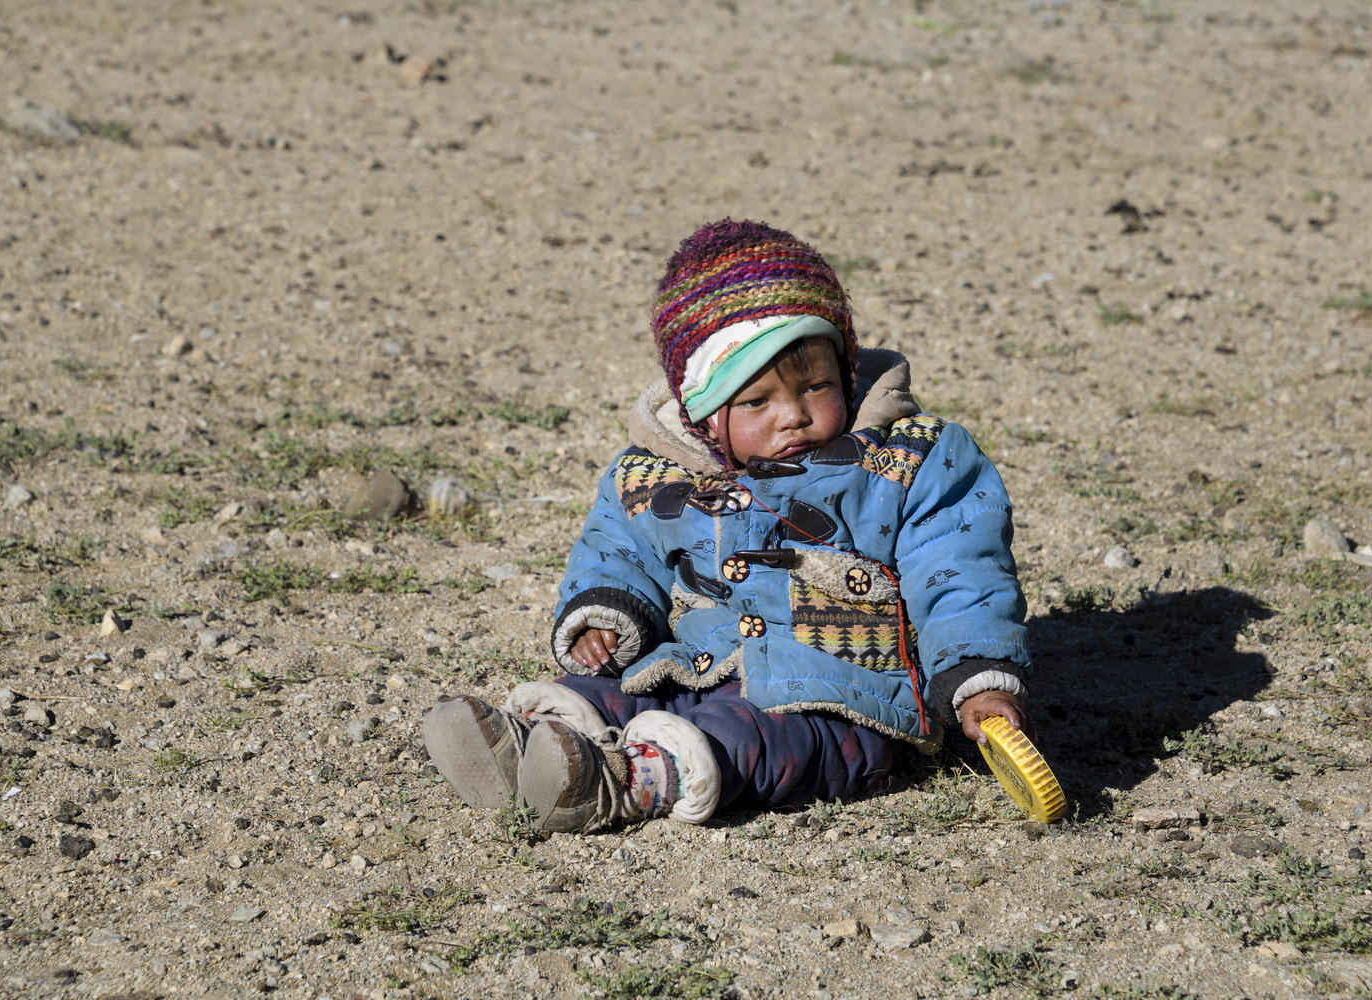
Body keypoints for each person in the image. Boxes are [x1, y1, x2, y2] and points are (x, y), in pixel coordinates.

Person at [422, 219, 1032, 833]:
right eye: (756, 402)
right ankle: (530, 750)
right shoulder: (655, 476)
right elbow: (619, 549)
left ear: (846, 370)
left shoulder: (910, 461)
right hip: (696, 662)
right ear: (702, 416)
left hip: (840, 698)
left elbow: (959, 570)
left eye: (816, 385)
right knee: (611, 690)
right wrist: (607, 613)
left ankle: (633, 781)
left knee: (744, 740)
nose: (793, 416)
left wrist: (975, 674)